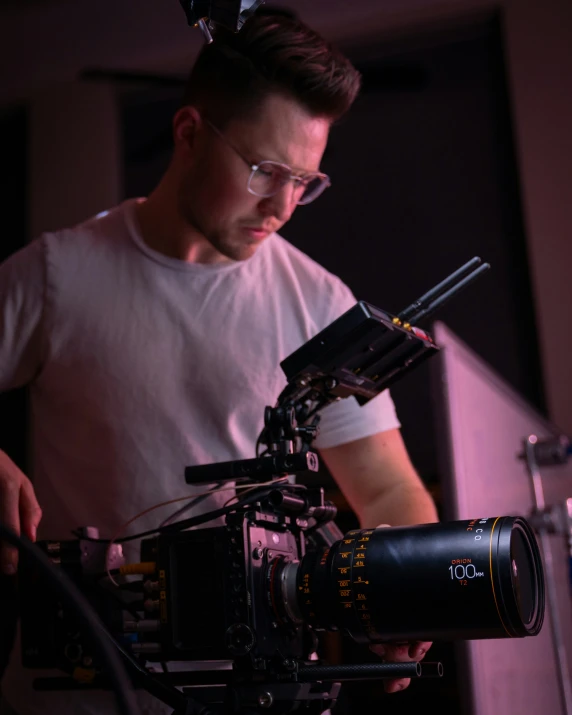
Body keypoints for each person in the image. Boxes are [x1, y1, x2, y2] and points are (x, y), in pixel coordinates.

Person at [0, 10, 438, 715]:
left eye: (306, 180)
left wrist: (402, 593)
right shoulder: (59, 274)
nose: (284, 205)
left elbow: (389, 492)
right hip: (78, 699)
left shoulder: (318, 301)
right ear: (189, 134)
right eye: (266, 170)